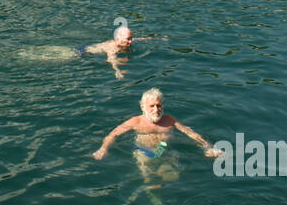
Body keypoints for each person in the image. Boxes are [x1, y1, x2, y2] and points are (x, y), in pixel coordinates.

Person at [92, 88, 221, 161]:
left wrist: (207, 146)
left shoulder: (169, 120)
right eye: (151, 106)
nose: (156, 109)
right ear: (143, 107)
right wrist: (103, 149)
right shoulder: (135, 122)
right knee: (150, 178)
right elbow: (113, 134)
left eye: (158, 105)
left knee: (173, 175)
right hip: (144, 151)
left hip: (167, 149)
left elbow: (189, 132)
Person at [80, 25, 151, 79]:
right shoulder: (112, 48)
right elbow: (111, 60)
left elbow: (139, 39)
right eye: (128, 39)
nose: (131, 41)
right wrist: (117, 71)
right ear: (118, 39)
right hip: (84, 52)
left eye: (131, 38)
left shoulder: (125, 41)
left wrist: (157, 38)